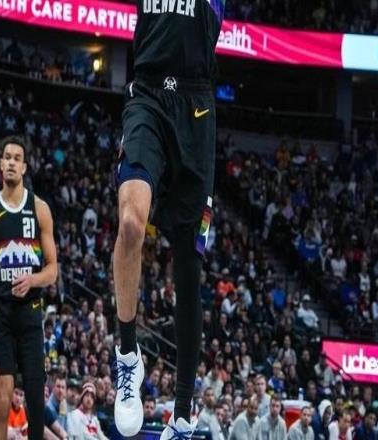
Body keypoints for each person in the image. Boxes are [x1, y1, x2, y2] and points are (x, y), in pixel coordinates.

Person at [112, 0, 225, 435]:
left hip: (197, 111)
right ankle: (127, 356)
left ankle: (181, 415)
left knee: (188, 269)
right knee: (130, 223)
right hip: (148, 96)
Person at [0, 136, 58, 440]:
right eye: (7, 157)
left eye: (17, 158)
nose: (11, 162)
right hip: (1, 313)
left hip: (31, 313)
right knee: (3, 398)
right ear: (0, 164)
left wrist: (33, 280)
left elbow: (53, 270)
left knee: (35, 401)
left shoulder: (40, 209)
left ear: (25, 167)